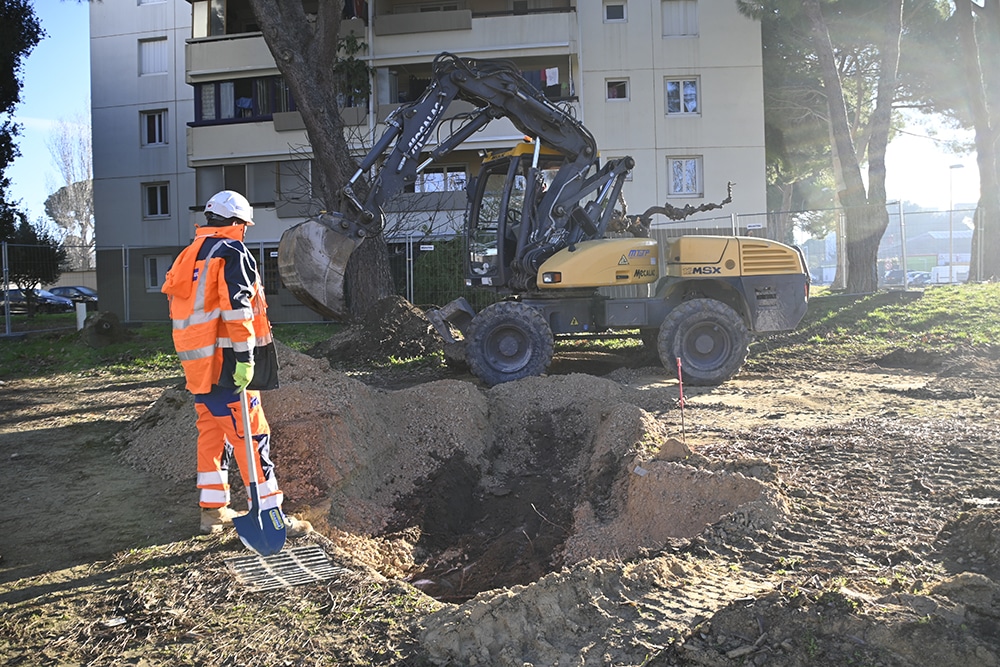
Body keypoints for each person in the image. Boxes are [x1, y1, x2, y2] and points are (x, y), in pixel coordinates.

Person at [161, 190, 312, 537]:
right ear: (236, 223)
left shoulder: (188, 254)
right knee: (252, 437)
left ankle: (212, 513)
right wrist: (245, 360)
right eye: (244, 225)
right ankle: (270, 517)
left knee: (212, 437)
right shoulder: (232, 253)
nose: (245, 231)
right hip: (229, 365)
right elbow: (238, 311)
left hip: (199, 368)